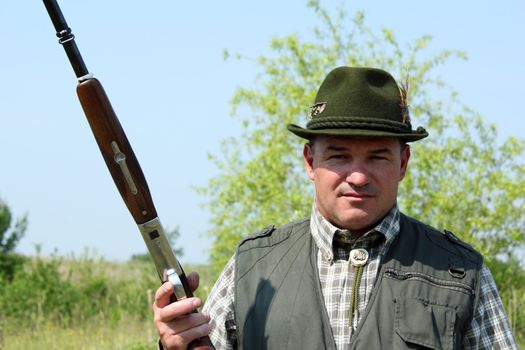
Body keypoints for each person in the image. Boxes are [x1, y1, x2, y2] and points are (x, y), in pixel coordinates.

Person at [153, 67, 518, 349]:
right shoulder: (252, 266)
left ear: (403, 163)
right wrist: (176, 340)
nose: (358, 176)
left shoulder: (460, 271)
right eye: (339, 156)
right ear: (310, 162)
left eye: (377, 157)